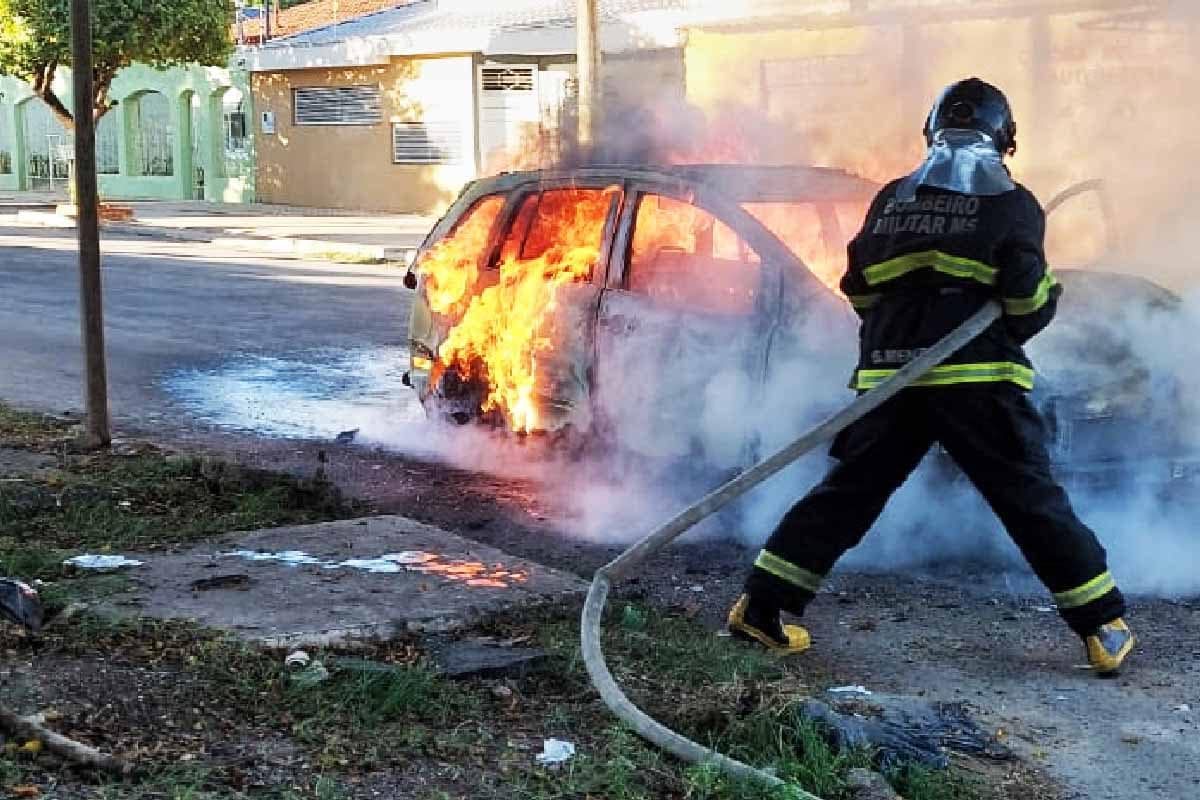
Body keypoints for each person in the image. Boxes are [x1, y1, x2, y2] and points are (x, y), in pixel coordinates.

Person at [727, 77, 1134, 676]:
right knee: (1027, 499)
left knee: (849, 494)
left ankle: (761, 607)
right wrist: (1044, 298)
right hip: (977, 381)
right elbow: (1024, 305)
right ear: (1003, 138)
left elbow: (858, 286)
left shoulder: (892, 199)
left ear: (932, 133)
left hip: (889, 379)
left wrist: (901, 336)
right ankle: (1102, 626)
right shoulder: (1012, 204)